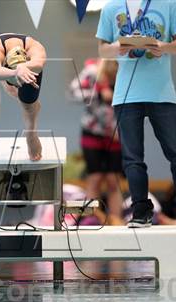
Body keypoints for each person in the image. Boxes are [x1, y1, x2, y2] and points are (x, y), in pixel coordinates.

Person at [96, 0, 176, 228]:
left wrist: (162, 46)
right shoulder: (111, 7)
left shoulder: (169, 3)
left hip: (162, 92)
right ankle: (140, 209)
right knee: (132, 158)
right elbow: (102, 48)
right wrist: (118, 48)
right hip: (126, 94)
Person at [70, 59, 123, 219]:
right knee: (95, 177)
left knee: (114, 180)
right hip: (92, 131)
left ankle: (116, 220)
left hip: (116, 133)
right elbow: (73, 93)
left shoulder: (127, 70)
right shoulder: (92, 71)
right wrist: (98, 94)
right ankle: (91, 220)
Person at [0, 33, 47, 161]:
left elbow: (39, 64)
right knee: (12, 90)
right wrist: (15, 72)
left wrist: (23, 67)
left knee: (28, 103)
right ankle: (15, 86)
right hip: (4, 61)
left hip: (28, 66)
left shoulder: (34, 47)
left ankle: (31, 131)